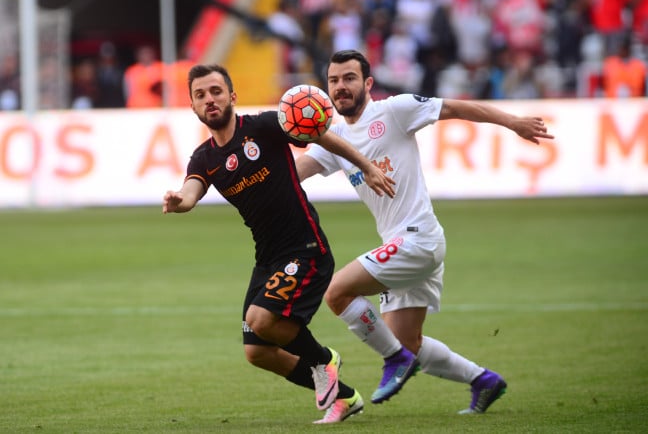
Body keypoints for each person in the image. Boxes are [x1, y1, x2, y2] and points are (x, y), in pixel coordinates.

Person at [296, 50, 554, 414]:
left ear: (367, 83)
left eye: (349, 78)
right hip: (402, 245)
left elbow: (456, 108)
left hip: (418, 239)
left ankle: (395, 361)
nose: (341, 87)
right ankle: (483, 380)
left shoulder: (394, 111)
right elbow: (296, 173)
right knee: (407, 341)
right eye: (334, 80)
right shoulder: (335, 138)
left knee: (337, 293)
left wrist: (513, 122)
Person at [162, 64, 396, 424]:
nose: (209, 99)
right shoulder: (204, 158)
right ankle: (345, 398)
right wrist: (179, 201)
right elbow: (190, 194)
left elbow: (321, 135)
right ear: (192, 105)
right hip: (268, 258)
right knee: (258, 351)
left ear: (232, 96)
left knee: (260, 319)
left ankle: (324, 360)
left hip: (306, 248)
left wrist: (366, 166)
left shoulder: (264, 126)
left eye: (216, 91)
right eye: (200, 95)